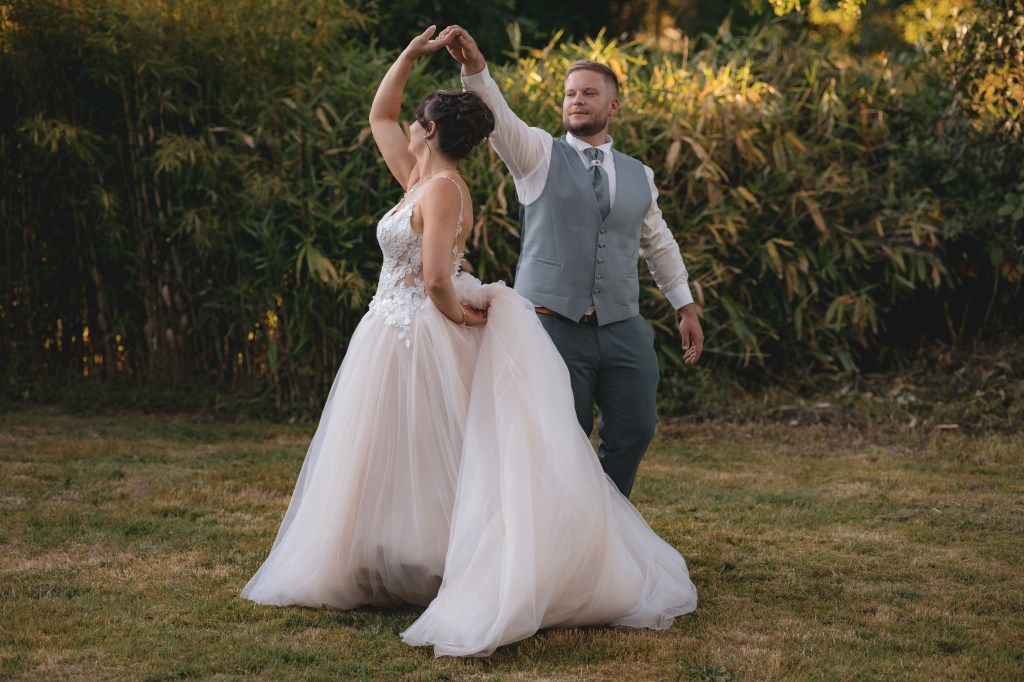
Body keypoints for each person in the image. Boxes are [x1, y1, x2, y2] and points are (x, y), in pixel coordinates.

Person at [241, 27, 697, 658]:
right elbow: (381, 116)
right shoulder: (422, 177)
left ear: (429, 131)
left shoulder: (448, 189)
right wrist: (409, 56)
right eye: (570, 91)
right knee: (404, 449)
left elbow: (436, 277)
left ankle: (513, 552)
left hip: (435, 329)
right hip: (397, 331)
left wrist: (455, 312)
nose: (407, 127)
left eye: (588, 92)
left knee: (454, 449)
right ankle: (404, 555)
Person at [439, 26, 705, 498]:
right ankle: (569, 525)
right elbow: (500, 118)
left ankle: (607, 518)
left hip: (622, 326)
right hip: (552, 325)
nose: (577, 100)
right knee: (563, 436)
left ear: (613, 105)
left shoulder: (639, 174)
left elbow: (658, 243)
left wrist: (685, 307)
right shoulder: (538, 154)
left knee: (637, 428)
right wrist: (474, 68)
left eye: (589, 93)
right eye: (570, 94)